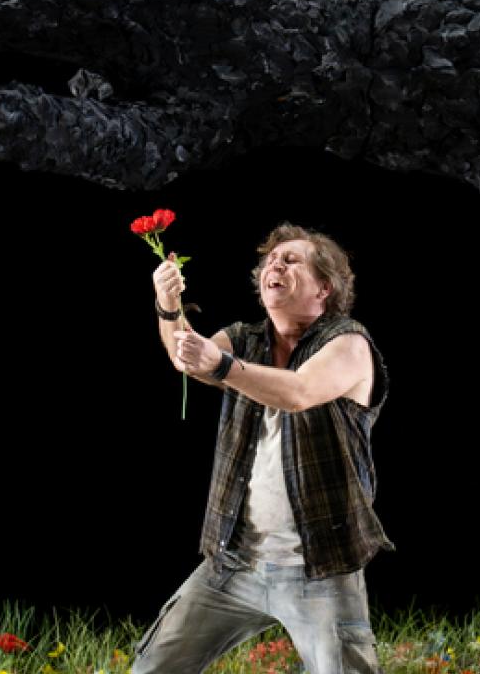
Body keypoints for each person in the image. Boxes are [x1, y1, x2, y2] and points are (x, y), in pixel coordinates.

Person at [134, 222, 393, 674]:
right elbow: (186, 358)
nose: (275, 265)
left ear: (324, 288)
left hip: (318, 567)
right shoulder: (246, 339)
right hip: (234, 561)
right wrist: (168, 304)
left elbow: (298, 391)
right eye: (271, 261)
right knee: (152, 667)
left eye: (291, 260)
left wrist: (220, 365)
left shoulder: (349, 343)